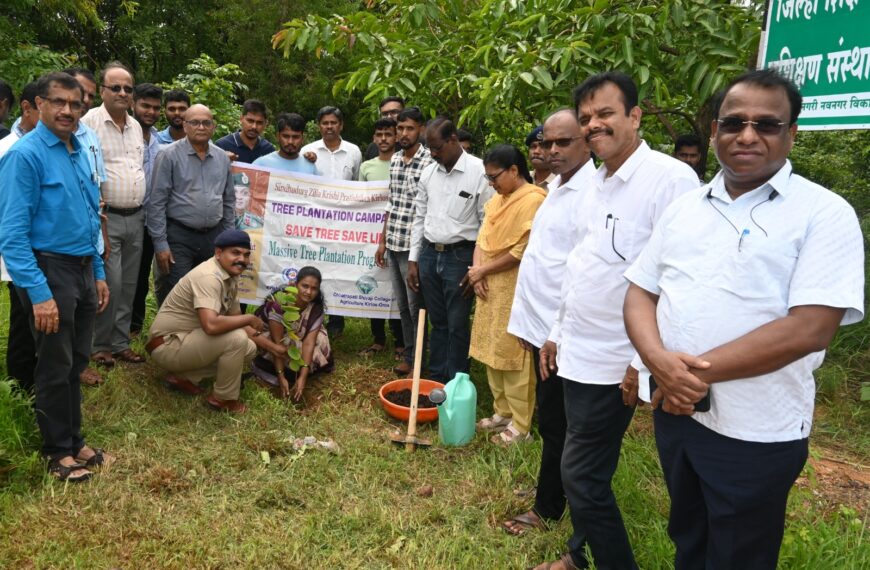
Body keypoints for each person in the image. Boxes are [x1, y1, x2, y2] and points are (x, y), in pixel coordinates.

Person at [623, 69, 864, 570]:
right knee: (688, 536)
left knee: (740, 555)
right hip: (679, 416)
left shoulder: (823, 213)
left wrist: (682, 374)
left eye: (767, 124)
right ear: (714, 131)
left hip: (757, 430)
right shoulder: (685, 208)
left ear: (791, 133)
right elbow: (640, 291)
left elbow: (810, 328)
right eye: (733, 122)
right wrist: (654, 360)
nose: (747, 135)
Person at [533, 72, 699, 570]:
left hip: (615, 360)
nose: (593, 125)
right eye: (586, 118)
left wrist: (641, 360)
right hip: (576, 349)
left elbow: (675, 283)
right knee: (588, 471)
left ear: (634, 116)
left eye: (605, 113)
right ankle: (580, 555)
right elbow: (582, 266)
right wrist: (556, 332)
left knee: (580, 475)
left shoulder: (670, 181)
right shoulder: (595, 182)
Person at [0, 71, 112, 482]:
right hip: (49, 269)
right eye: (59, 102)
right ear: (39, 106)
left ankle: (74, 438)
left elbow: (87, 216)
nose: (68, 110)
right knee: (53, 363)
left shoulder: (78, 147)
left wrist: (98, 271)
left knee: (75, 360)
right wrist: (40, 293)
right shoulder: (24, 156)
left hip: (82, 267)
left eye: (75, 103)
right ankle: (56, 452)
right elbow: (12, 236)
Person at [503, 109, 595, 535]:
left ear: (587, 141)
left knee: (563, 425)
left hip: (566, 335)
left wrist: (551, 334)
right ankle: (552, 499)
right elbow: (543, 262)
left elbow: (578, 275)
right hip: (543, 331)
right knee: (553, 421)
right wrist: (528, 326)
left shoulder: (592, 193)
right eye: (548, 142)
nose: (553, 151)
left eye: (564, 143)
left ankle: (552, 508)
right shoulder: (556, 187)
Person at [146, 230, 277, 413]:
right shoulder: (209, 277)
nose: (242, 259)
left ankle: (185, 377)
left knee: (249, 348)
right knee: (236, 339)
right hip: (167, 345)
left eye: (246, 255)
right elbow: (211, 325)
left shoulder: (229, 276)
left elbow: (235, 320)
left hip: (187, 339)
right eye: (235, 253)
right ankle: (223, 399)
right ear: (218, 253)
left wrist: (274, 349)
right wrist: (249, 317)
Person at [467, 144, 545, 444]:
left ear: (514, 170)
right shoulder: (497, 200)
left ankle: (521, 424)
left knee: (514, 353)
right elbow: (482, 238)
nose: (491, 184)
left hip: (513, 287)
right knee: (490, 349)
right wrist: (476, 271)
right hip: (487, 288)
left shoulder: (534, 200)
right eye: (487, 178)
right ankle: (502, 411)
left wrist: (483, 271)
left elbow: (520, 250)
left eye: (494, 176)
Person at [408, 117, 492, 383]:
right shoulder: (429, 172)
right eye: (429, 148)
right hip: (430, 255)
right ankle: (435, 379)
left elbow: (486, 223)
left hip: (461, 257)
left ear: (453, 139)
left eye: (436, 148)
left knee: (457, 324)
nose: (432, 154)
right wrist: (414, 259)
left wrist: (477, 267)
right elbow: (419, 217)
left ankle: (456, 383)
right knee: (438, 320)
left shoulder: (479, 171)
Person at [81, 61, 147, 367]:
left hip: (136, 216)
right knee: (110, 282)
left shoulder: (136, 127)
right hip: (106, 219)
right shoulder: (89, 123)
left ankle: (121, 342)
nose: (122, 93)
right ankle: (100, 345)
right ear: (102, 91)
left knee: (130, 285)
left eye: (127, 88)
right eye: (115, 87)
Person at [146, 104, 235, 304]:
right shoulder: (168, 155)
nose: (201, 127)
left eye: (206, 122)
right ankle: (170, 335)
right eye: (194, 122)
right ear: (185, 126)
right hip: (179, 236)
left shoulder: (222, 157)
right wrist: (161, 245)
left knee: (209, 293)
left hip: (213, 236)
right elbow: (157, 202)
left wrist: (228, 240)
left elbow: (229, 201)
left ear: (214, 127)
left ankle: (200, 335)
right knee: (179, 294)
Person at [375, 106, 433, 376]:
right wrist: (382, 240)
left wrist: (416, 255)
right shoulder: (396, 159)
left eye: (409, 128)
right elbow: (392, 202)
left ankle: (420, 360)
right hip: (394, 240)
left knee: (416, 306)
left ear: (421, 129)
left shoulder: (430, 161)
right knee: (402, 306)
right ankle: (410, 355)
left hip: (415, 246)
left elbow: (427, 209)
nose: (404, 133)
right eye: (400, 128)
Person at [64, 68, 109, 387]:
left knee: (85, 307)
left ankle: (78, 364)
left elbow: (97, 188)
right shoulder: (49, 140)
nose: (84, 101)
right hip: (57, 248)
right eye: (81, 93)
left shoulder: (89, 138)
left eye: (88, 96)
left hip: (90, 238)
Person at [301, 105, 362, 337]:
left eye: (333, 123)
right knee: (316, 267)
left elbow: (358, 186)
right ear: (319, 126)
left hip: (343, 223)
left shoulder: (354, 151)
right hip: (314, 222)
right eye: (325, 123)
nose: (329, 127)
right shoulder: (308, 151)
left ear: (341, 125)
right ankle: (313, 315)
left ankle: (337, 318)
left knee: (339, 266)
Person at [0, 81, 40, 394]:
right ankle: (20, 383)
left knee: (35, 315)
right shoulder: (8, 148)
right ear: (27, 108)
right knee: (21, 316)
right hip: (16, 243)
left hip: (42, 245)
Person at [250, 266, 334, 401]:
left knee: (321, 340)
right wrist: (281, 376)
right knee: (288, 344)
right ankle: (278, 371)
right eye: (305, 286)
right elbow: (278, 345)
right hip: (271, 339)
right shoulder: (278, 305)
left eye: (314, 288)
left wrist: (302, 377)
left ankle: (300, 372)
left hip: (296, 337)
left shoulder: (315, 307)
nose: (308, 292)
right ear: (295, 284)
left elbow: (309, 343)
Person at [358, 118, 404, 358]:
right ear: (374, 138)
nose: (384, 139)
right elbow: (358, 199)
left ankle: (400, 342)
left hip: (395, 235)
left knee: (396, 290)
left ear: (396, 137)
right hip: (368, 236)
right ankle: (377, 339)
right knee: (374, 283)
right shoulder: (366, 167)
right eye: (379, 134)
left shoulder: (401, 163)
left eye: (389, 134)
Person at [130, 83, 164, 337]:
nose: (150, 112)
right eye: (145, 106)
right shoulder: (125, 136)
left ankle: (134, 328)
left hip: (150, 219)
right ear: (134, 104)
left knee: (141, 276)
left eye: (155, 107)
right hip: (126, 215)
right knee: (119, 277)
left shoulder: (159, 142)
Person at [252, 112, 316, 174]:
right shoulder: (260, 165)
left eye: (296, 137)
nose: (290, 141)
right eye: (286, 136)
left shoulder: (310, 166)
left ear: (302, 138)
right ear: (277, 137)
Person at [216, 99, 274, 163]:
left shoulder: (268, 149)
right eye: (250, 121)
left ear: (265, 124)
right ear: (241, 119)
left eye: (259, 123)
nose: (254, 126)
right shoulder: (222, 145)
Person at [525, 125, 556, 190]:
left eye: (543, 146)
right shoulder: (523, 180)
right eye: (533, 146)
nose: (536, 151)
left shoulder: (560, 182)